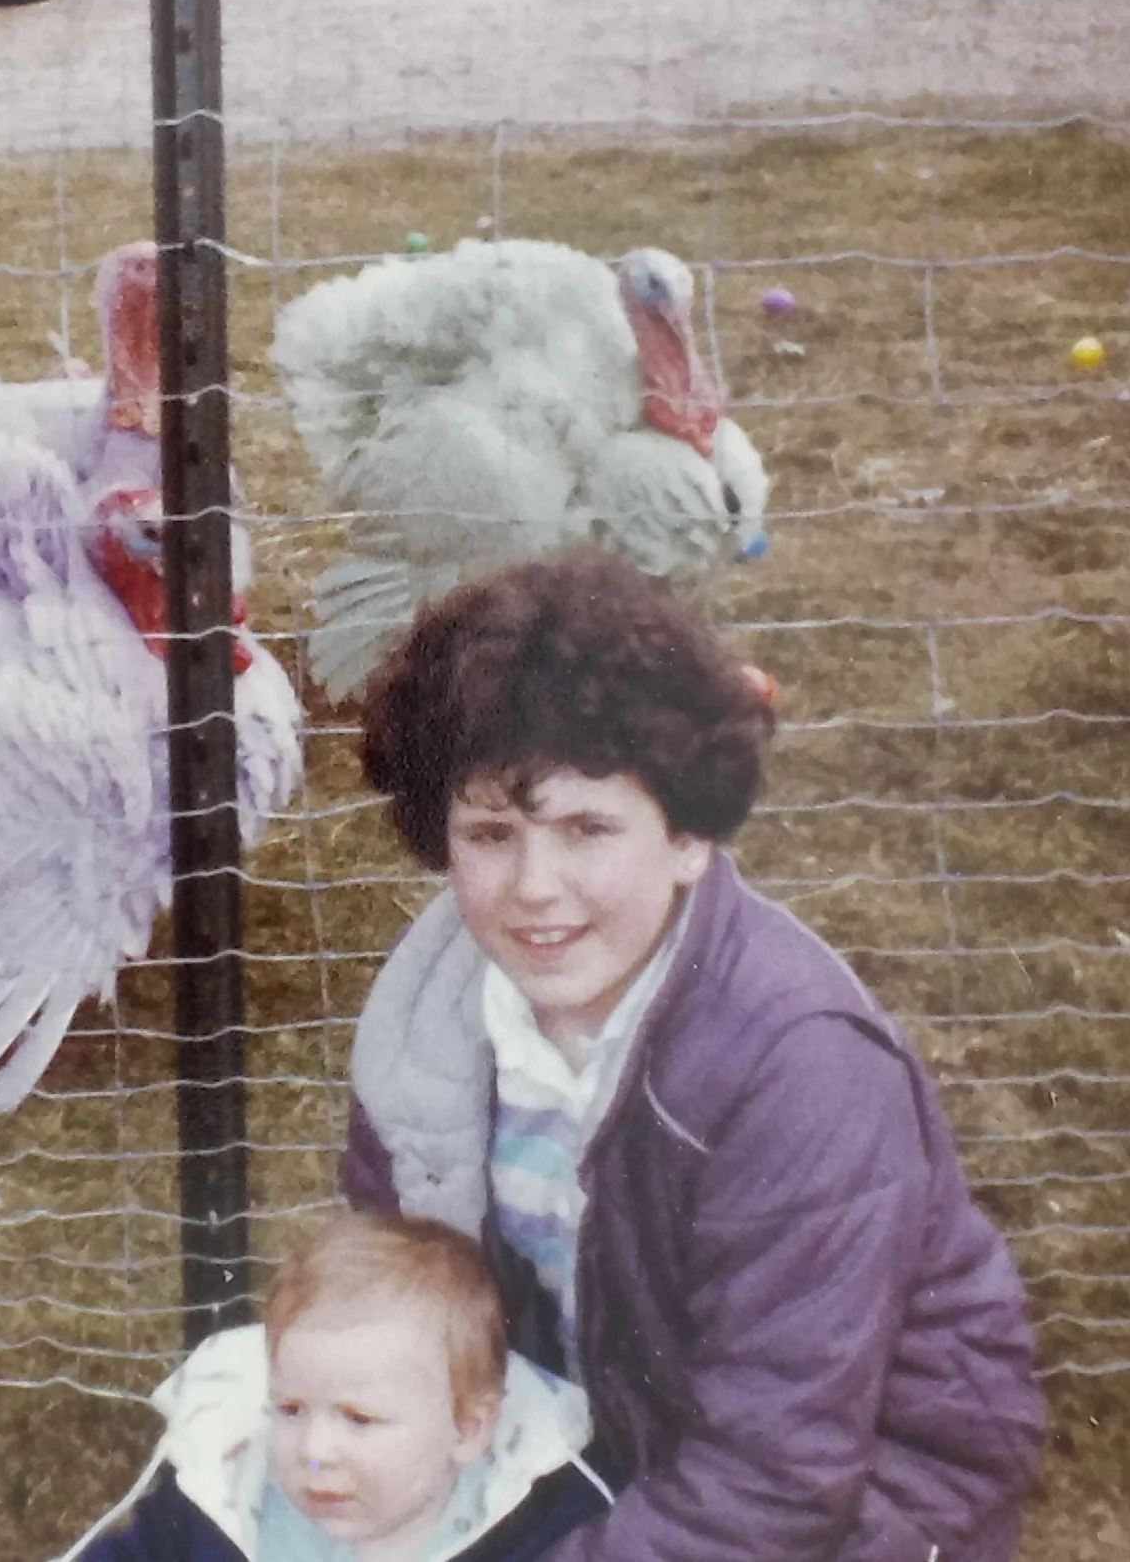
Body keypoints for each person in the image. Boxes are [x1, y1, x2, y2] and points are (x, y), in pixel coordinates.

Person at [340, 550, 1046, 1562]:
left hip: (858, 1498)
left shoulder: (793, 1067)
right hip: (604, 1444)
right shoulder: (429, 1029)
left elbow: (775, 1483)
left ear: (687, 837)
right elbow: (400, 1321)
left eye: (587, 828)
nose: (534, 887)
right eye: (490, 833)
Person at [67, 1212, 612, 1562]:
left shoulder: (537, 1525)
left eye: (358, 1419)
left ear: (466, 1427)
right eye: (292, 1409)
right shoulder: (223, 1506)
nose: (315, 1452)